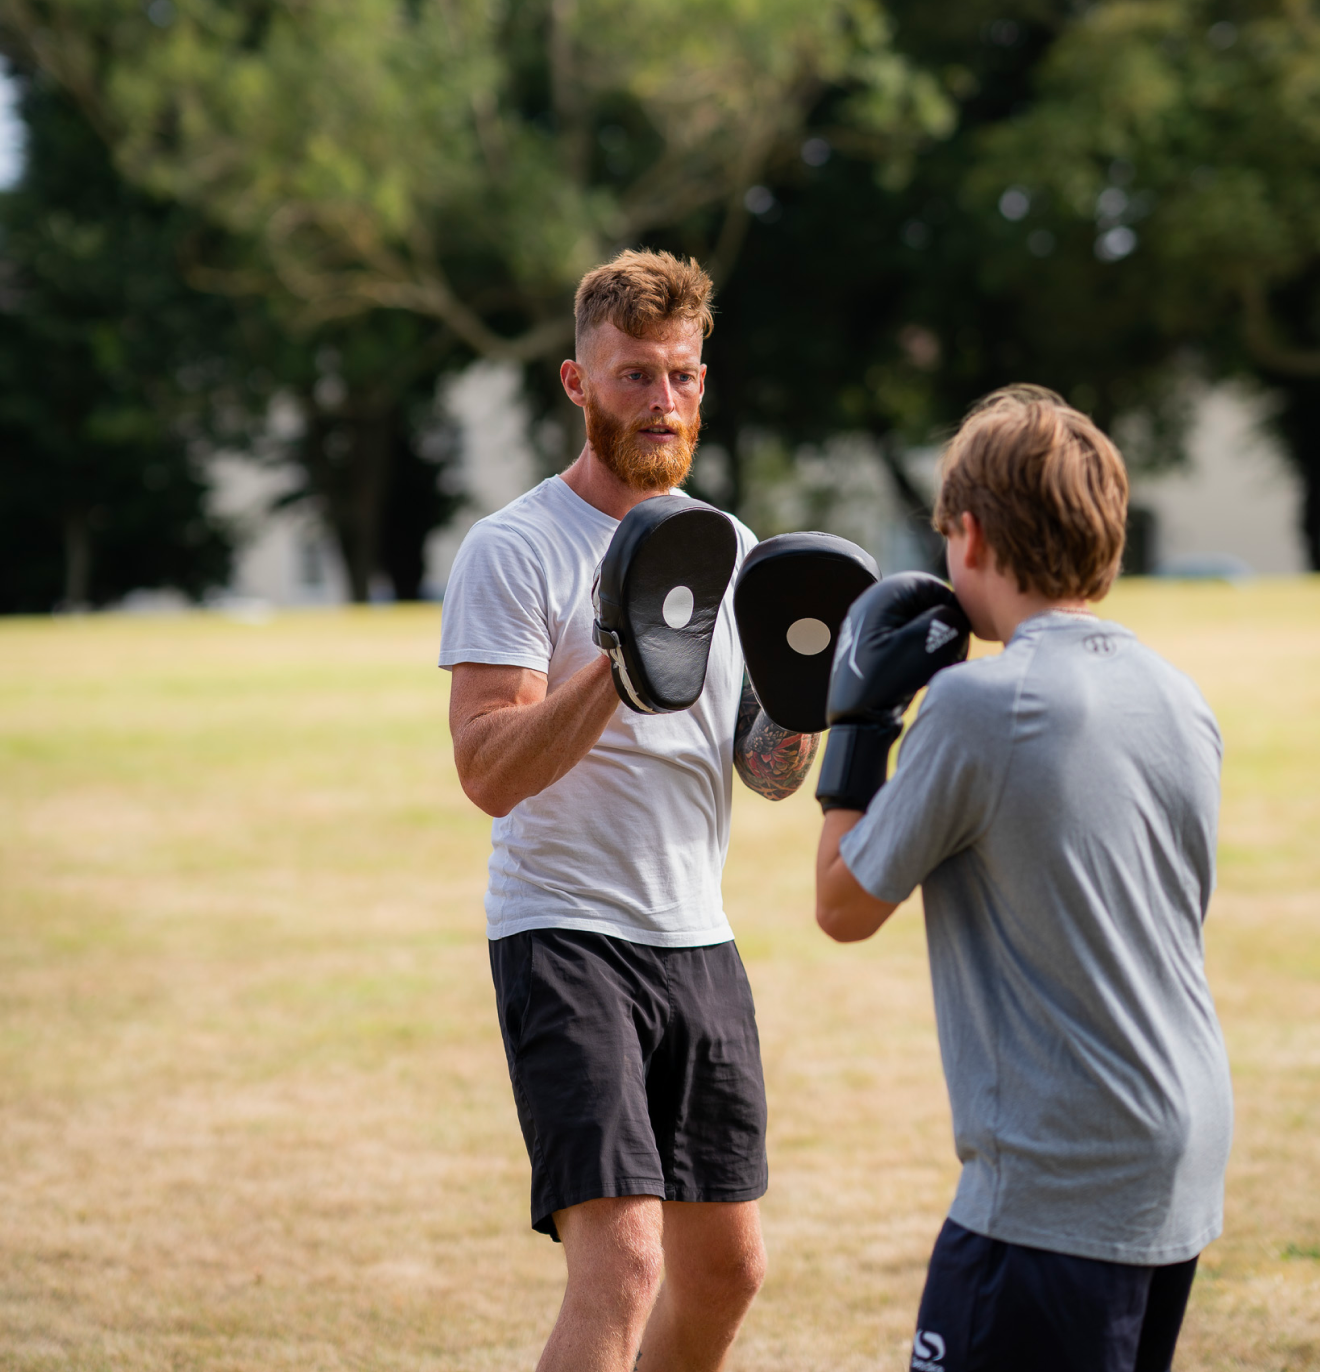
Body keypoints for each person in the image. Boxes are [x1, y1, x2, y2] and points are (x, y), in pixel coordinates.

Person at [439, 248, 820, 1372]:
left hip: (696, 938)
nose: (663, 401)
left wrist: (804, 710)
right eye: (635, 376)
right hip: (563, 935)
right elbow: (485, 768)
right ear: (577, 382)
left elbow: (765, 771)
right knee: (625, 1265)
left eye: (683, 377)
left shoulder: (730, 546)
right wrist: (621, 661)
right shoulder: (515, 548)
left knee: (728, 1269)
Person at [813, 386, 1233, 1372]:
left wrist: (861, 728)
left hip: (1060, 1176)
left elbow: (841, 904)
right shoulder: (1178, 697)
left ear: (971, 535)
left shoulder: (978, 706)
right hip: (1179, 1151)